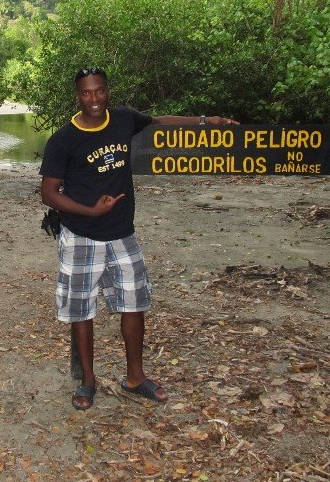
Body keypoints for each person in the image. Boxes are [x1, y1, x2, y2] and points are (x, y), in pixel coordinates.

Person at [39, 66, 238, 410]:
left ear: (108, 90)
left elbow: (161, 121)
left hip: (122, 234)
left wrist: (208, 120)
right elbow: (48, 193)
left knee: (134, 304)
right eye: (86, 93)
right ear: (77, 96)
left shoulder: (124, 119)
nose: (94, 99)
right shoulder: (64, 139)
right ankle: (88, 380)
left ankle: (135, 378)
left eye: (99, 91)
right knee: (82, 311)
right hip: (80, 235)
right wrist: (90, 212)